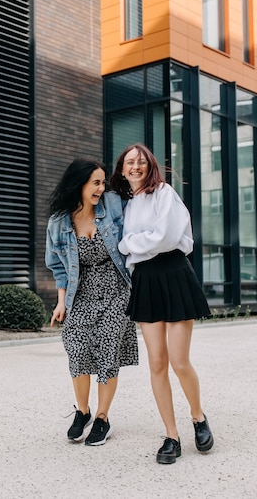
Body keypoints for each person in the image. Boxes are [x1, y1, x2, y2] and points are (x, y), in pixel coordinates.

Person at [110, 143, 214, 464]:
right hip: (146, 280)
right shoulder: (127, 205)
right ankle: (172, 435)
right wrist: (137, 247)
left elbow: (166, 238)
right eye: (130, 163)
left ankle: (198, 416)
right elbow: (140, 246)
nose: (136, 167)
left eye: (141, 161)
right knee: (156, 363)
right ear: (123, 170)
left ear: (150, 165)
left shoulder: (164, 192)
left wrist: (129, 243)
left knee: (179, 362)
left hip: (174, 272)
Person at [45, 158, 138, 446]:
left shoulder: (112, 204)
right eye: (95, 182)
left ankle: (102, 417)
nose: (101, 188)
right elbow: (58, 267)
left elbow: (139, 201)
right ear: (80, 184)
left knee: (108, 348)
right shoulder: (58, 222)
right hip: (80, 291)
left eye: (102, 182)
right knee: (77, 347)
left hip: (116, 288)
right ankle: (82, 411)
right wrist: (61, 302)